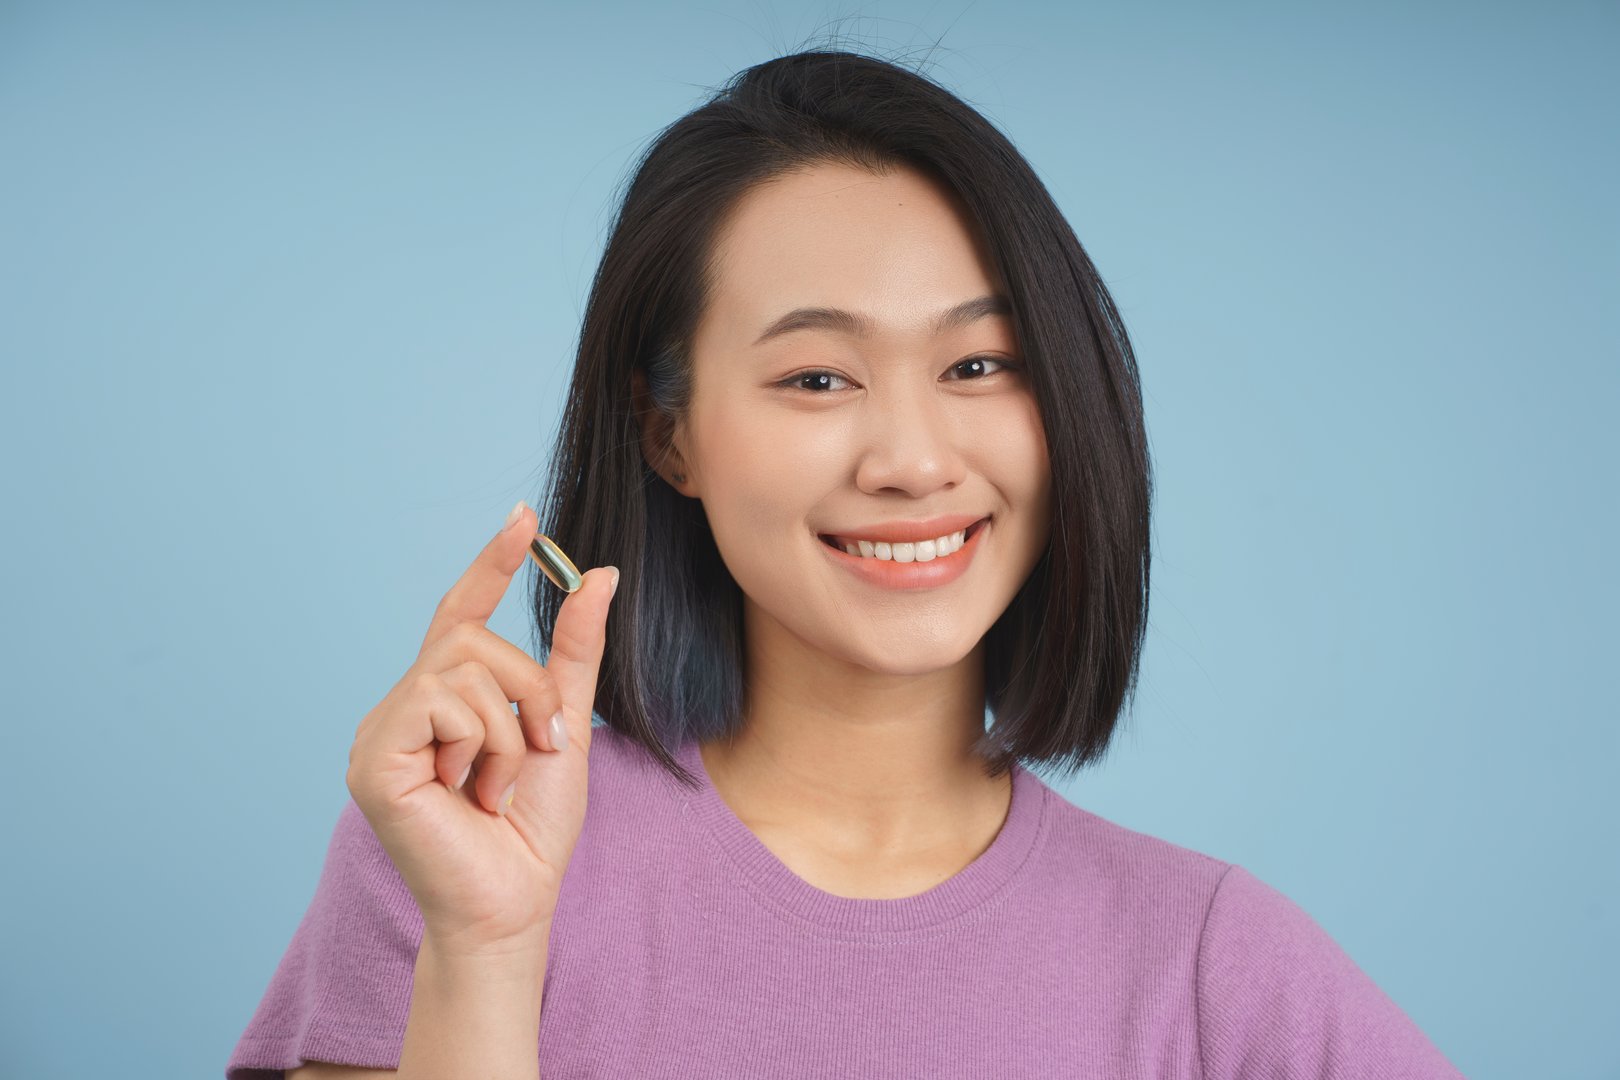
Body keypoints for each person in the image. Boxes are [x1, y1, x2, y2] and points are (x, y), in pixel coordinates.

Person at [225, 48, 1467, 1079]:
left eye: (979, 364)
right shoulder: (460, 855)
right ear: (670, 435)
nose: (914, 460)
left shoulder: (1210, 965)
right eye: (816, 376)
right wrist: (487, 957)